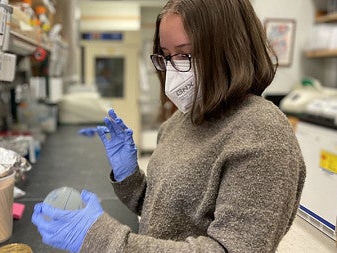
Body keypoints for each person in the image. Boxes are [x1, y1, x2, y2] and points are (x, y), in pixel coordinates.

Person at [31, 0, 306, 252]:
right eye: (166, 55)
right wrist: (129, 177)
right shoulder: (180, 122)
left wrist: (101, 238)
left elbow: (230, 249)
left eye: (185, 55)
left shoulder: (263, 135)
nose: (172, 70)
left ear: (230, 50)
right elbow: (164, 214)